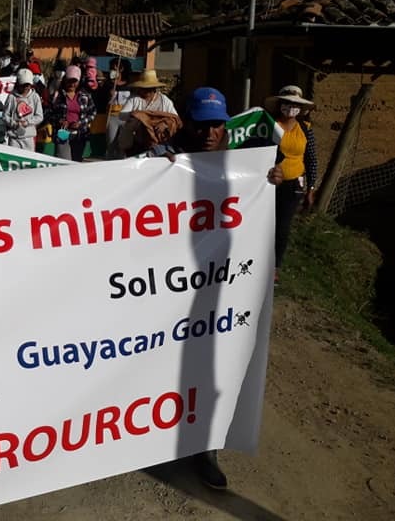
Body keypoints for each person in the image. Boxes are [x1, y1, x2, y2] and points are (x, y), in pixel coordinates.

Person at [142, 86, 283, 490]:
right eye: (203, 125)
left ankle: (206, 449)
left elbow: (266, 198)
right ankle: (148, 439)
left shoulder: (243, 165)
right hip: (162, 286)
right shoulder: (164, 158)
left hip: (217, 288)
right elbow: (123, 180)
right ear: (189, 123)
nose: (210, 133)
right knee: (158, 359)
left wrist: (272, 180)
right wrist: (149, 161)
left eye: (218, 124)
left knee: (209, 365)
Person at [266, 84, 318, 278]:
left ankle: (275, 267)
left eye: (294, 104)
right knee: (265, 224)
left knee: (282, 225)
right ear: (280, 104)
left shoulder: (305, 129)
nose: (290, 107)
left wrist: (311, 188)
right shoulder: (269, 125)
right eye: (287, 103)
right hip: (269, 183)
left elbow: (311, 159)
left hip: (294, 185)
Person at [46, 64, 96, 162]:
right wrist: (59, 121)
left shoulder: (85, 95)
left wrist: (81, 123)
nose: (72, 84)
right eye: (70, 81)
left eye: (75, 81)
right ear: (65, 80)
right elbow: (48, 113)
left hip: (80, 134)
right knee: (63, 162)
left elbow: (93, 112)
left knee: (76, 162)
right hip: (62, 134)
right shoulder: (57, 96)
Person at [3, 67, 44, 150]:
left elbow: (39, 116)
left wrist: (27, 122)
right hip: (14, 137)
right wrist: (13, 123)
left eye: (28, 85)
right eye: (23, 85)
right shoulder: (11, 97)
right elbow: (5, 115)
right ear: (18, 83)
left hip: (29, 137)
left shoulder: (35, 97)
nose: (26, 87)